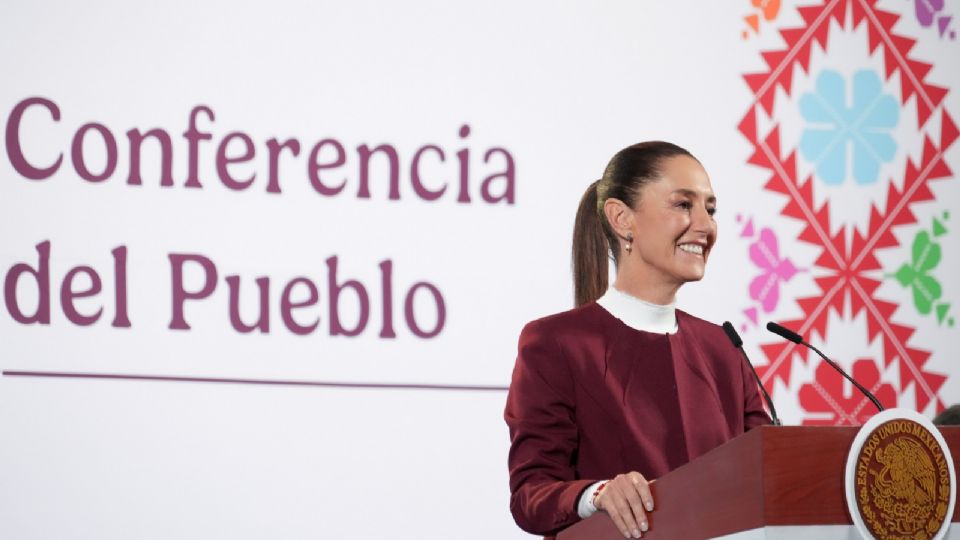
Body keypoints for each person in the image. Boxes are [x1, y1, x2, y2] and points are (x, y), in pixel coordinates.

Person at [504, 141, 771, 540]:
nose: (706, 226)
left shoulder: (723, 349)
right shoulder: (555, 343)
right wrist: (598, 495)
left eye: (710, 210)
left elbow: (769, 475)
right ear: (621, 218)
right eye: (684, 205)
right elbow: (532, 495)